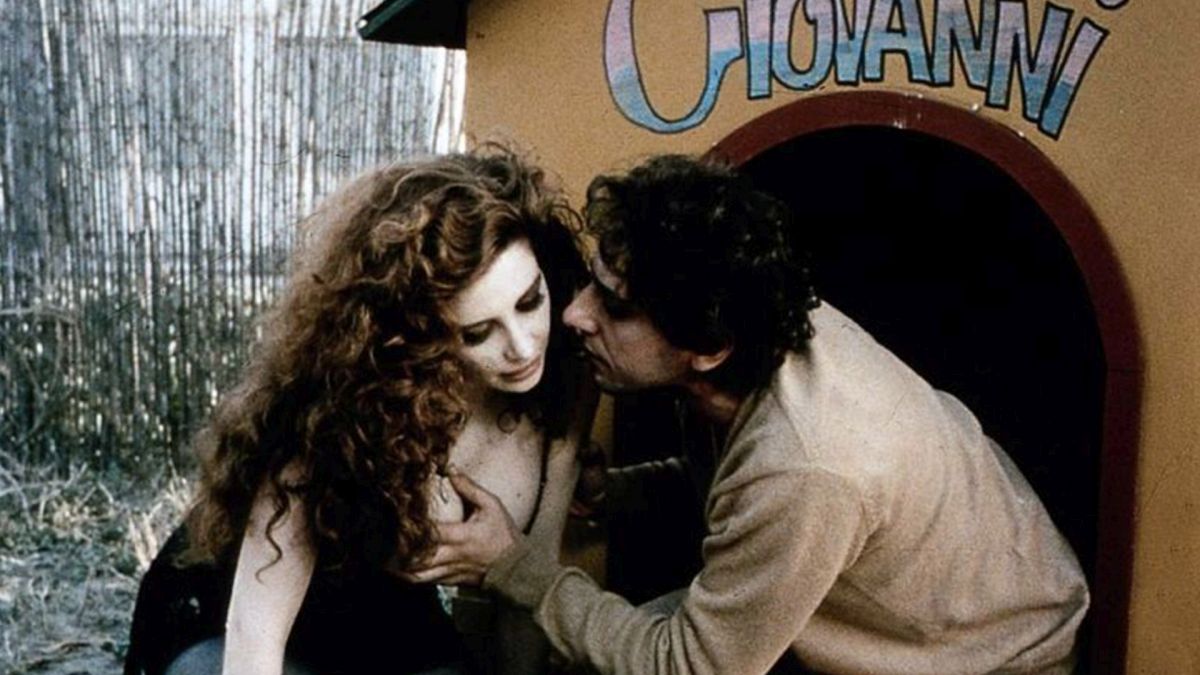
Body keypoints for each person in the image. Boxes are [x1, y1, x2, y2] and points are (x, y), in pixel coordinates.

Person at [412, 155, 1091, 674]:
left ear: (707, 346)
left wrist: (515, 564)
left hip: (993, 660)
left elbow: (690, 667)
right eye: (593, 282)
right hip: (927, 613)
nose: (574, 314)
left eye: (615, 307)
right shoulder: (760, 339)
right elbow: (745, 497)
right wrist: (616, 492)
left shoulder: (807, 462)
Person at [124, 148, 595, 675]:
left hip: (387, 630)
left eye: (530, 302)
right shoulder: (339, 407)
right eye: (477, 332)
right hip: (229, 621)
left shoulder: (563, 386)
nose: (523, 348)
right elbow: (254, 637)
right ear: (418, 331)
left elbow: (524, 599)